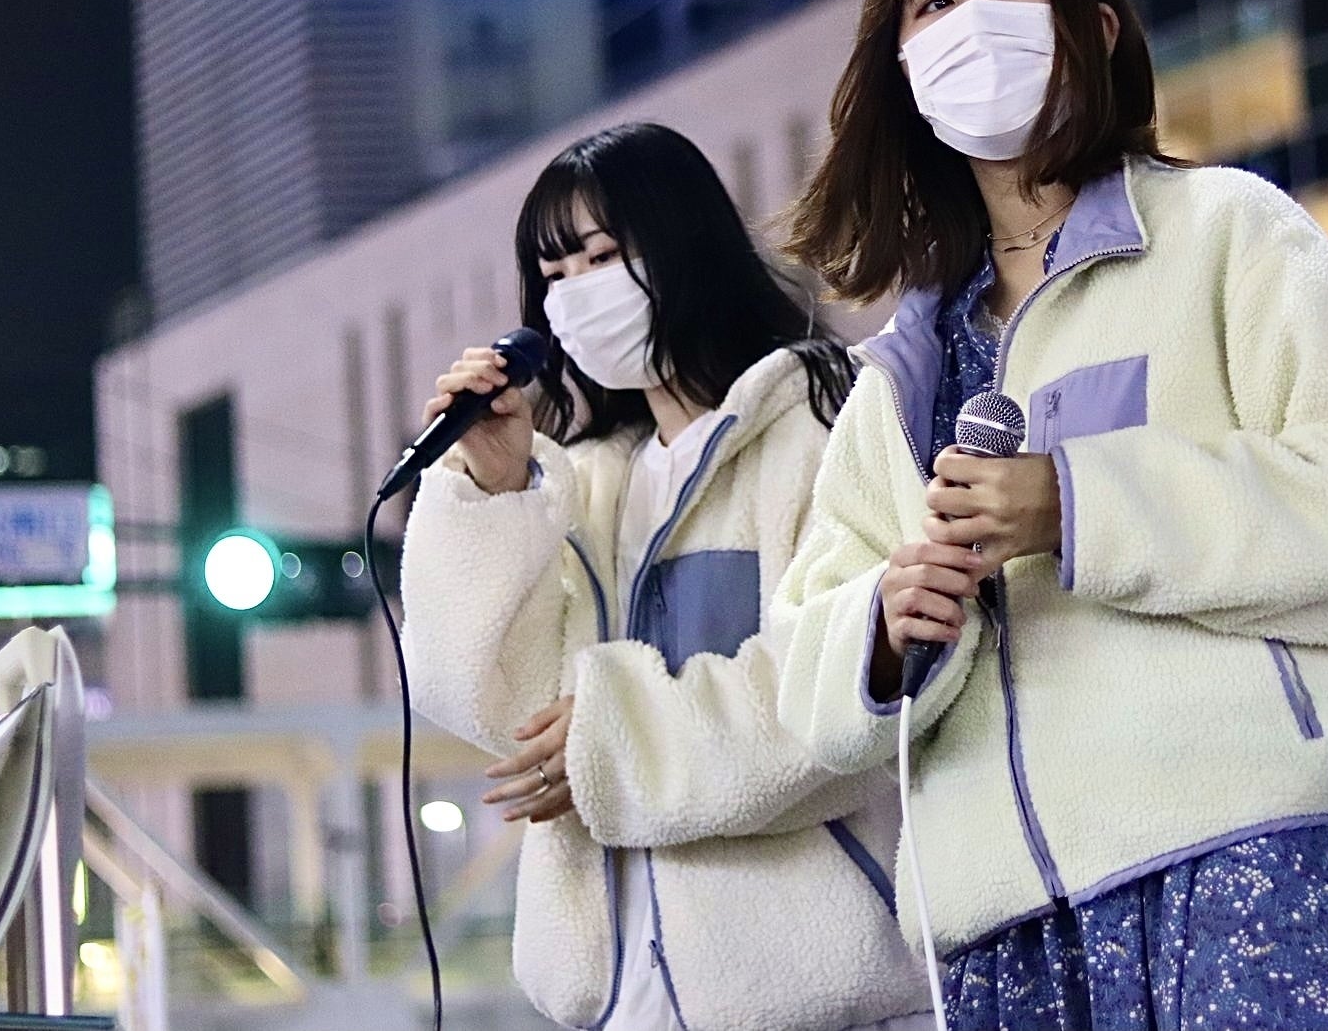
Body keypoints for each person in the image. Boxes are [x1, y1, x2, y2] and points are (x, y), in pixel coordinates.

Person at [770, 0, 1328, 1031]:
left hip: (1240, 847)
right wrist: (882, 627)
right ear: (900, 68)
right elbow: (802, 673)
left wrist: (1078, 503)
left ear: (1092, 28)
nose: (972, 22)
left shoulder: (1226, 232)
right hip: (999, 925)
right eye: (932, 5)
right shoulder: (891, 379)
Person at [398, 123, 930, 1031]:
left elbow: (841, 695)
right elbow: (493, 704)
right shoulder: (584, 485)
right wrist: (492, 489)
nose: (575, 292)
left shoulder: (818, 428)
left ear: (685, 242)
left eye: (602, 257)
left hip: (822, 1001)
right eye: (554, 273)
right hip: (623, 1005)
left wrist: (613, 742)